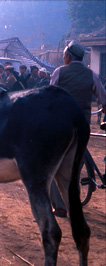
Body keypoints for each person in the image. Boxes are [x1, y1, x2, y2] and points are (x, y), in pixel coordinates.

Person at [49, 41, 106, 218]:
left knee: (49, 166)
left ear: (67, 56)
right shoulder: (92, 74)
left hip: (60, 125)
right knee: (75, 165)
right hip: (82, 125)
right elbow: (103, 98)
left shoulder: (59, 72)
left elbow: (50, 95)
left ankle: (59, 206)